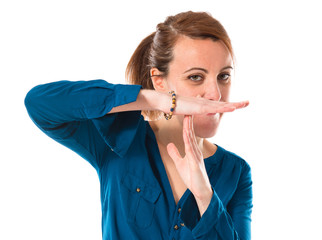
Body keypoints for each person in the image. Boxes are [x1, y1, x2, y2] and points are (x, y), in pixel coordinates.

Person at [25, 11, 253, 240]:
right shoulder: (119, 140)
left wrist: (205, 196)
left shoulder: (236, 172)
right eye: (195, 77)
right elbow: (39, 104)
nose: (215, 94)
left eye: (223, 76)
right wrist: (156, 99)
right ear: (159, 82)